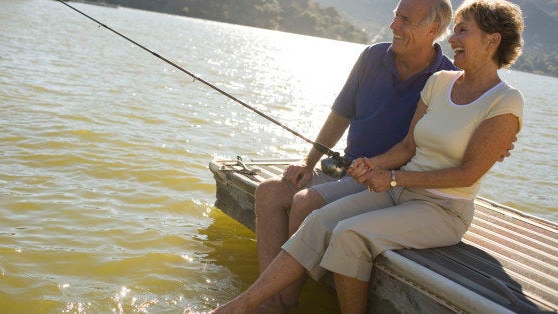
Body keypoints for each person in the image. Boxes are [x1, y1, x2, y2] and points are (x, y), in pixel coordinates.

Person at [214, 0, 525, 313]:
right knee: (308, 214)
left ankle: (259, 304)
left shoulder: (500, 97)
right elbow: (405, 145)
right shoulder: (439, 81)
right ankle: (263, 303)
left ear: (491, 40)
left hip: (428, 199)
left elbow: (468, 169)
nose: (453, 38)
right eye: (455, 30)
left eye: (463, 31)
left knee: (340, 229)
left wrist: (390, 176)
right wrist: (363, 165)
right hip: (389, 184)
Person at [254, 0, 456, 309]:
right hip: (346, 170)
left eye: (404, 19)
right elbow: (341, 113)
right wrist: (308, 162)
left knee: (304, 203)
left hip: (386, 184)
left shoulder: (448, 79)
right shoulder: (373, 56)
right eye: (394, 16)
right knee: (268, 193)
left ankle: (279, 302)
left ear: (432, 29)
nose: (393, 26)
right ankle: (271, 297)